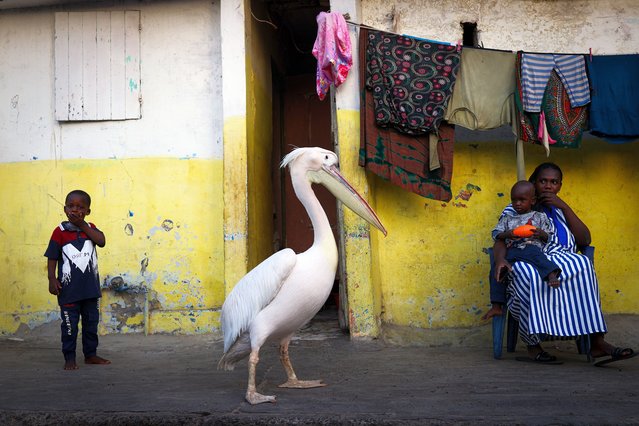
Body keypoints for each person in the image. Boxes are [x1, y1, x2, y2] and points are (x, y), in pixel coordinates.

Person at [485, 163, 635, 365]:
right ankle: (533, 345)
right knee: (527, 273)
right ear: (533, 183)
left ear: (559, 186)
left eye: (553, 182)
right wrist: (501, 259)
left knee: (582, 264)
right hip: (527, 256)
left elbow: (585, 240)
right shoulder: (517, 206)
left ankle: (597, 342)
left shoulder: (560, 209)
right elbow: (500, 239)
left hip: (562, 256)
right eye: (543, 181)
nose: (548, 186)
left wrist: (564, 206)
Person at [45, 190, 111, 370]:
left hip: (90, 290)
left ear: (88, 211)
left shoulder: (90, 228)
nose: (75, 210)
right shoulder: (59, 232)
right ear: (65, 209)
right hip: (68, 291)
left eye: (81, 207)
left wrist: (83, 225)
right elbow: (52, 257)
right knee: (69, 326)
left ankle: (90, 354)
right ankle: (69, 358)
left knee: (91, 324)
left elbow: (102, 240)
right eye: (71, 206)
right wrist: (52, 278)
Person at [493, 180, 561, 288]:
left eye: (522, 200)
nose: (517, 203)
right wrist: (507, 234)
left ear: (532, 201)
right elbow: (496, 233)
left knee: (537, 256)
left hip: (531, 248)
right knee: (497, 267)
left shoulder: (539, 217)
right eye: (514, 200)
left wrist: (541, 233)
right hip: (511, 250)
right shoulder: (507, 218)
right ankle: (497, 302)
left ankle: (551, 274)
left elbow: (549, 237)